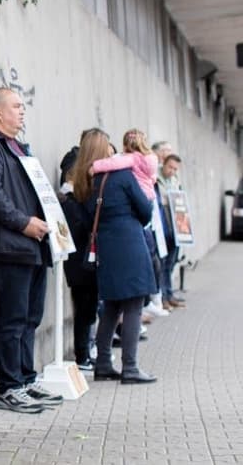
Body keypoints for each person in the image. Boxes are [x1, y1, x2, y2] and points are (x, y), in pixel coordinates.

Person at [0, 87, 60, 414]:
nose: (22, 111)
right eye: (16, 106)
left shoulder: (16, 145)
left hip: (31, 245)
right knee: (11, 318)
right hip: (9, 246)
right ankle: (9, 387)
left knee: (30, 317)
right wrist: (23, 223)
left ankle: (26, 379)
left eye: (22, 106)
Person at [72, 130, 157, 384]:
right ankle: (130, 368)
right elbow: (145, 212)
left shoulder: (85, 181)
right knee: (133, 305)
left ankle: (104, 364)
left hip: (106, 247)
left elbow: (88, 217)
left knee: (110, 306)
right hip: (129, 244)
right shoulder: (122, 175)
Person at [58, 128, 107, 371]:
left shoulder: (85, 179)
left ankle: (86, 352)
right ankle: (82, 355)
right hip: (81, 253)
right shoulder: (80, 180)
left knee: (88, 306)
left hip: (83, 251)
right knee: (85, 306)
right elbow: (83, 218)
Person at [91, 129, 157, 200]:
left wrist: (95, 167)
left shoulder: (132, 158)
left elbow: (113, 163)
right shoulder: (150, 158)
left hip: (138, 195)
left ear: (125, 146)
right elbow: (153, 177)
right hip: (150, 195)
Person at [157, 154, 185, 310]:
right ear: (164, 164)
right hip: (163, 227)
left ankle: (169, 293)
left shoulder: (175, 181)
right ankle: (162, 298)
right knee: (161, 264)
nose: (172, 171)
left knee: (171, 263)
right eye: (170, 167)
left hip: (176, 228)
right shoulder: (156, 178)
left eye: (175, 169)